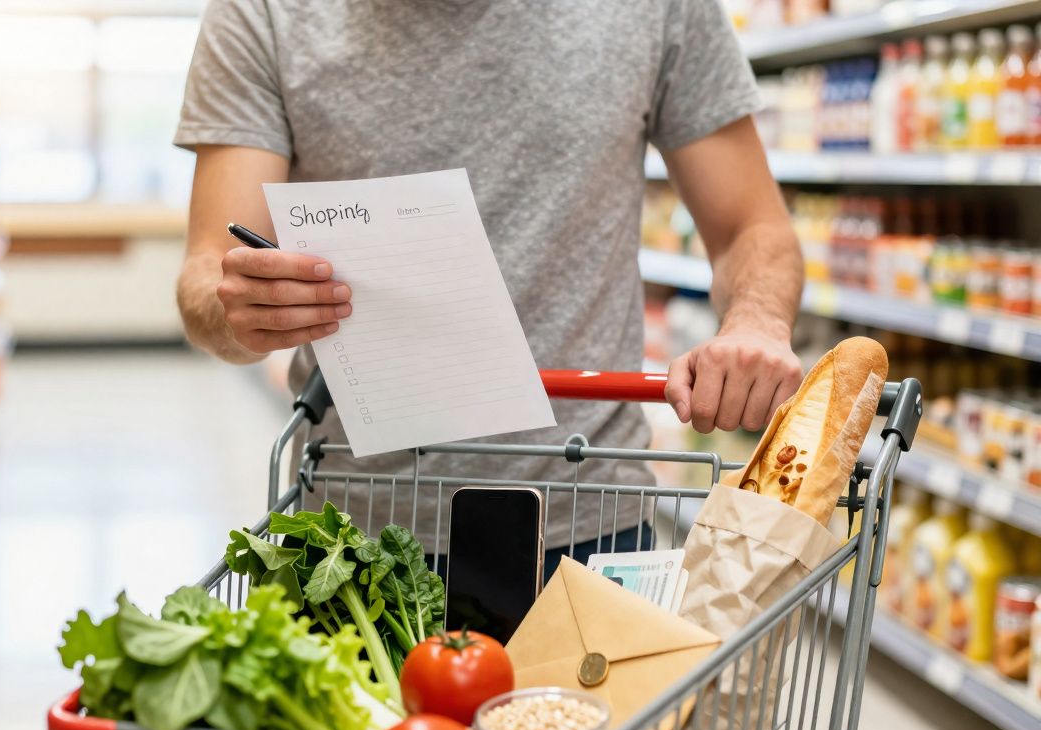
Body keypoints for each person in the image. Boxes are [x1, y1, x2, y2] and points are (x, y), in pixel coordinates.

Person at [173, 0, 804, 568]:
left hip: (589, 516)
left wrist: (757, 322)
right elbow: (209, 270)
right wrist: (243, 310)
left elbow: (752, 227)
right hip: (349, 536)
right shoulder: (262, 12)